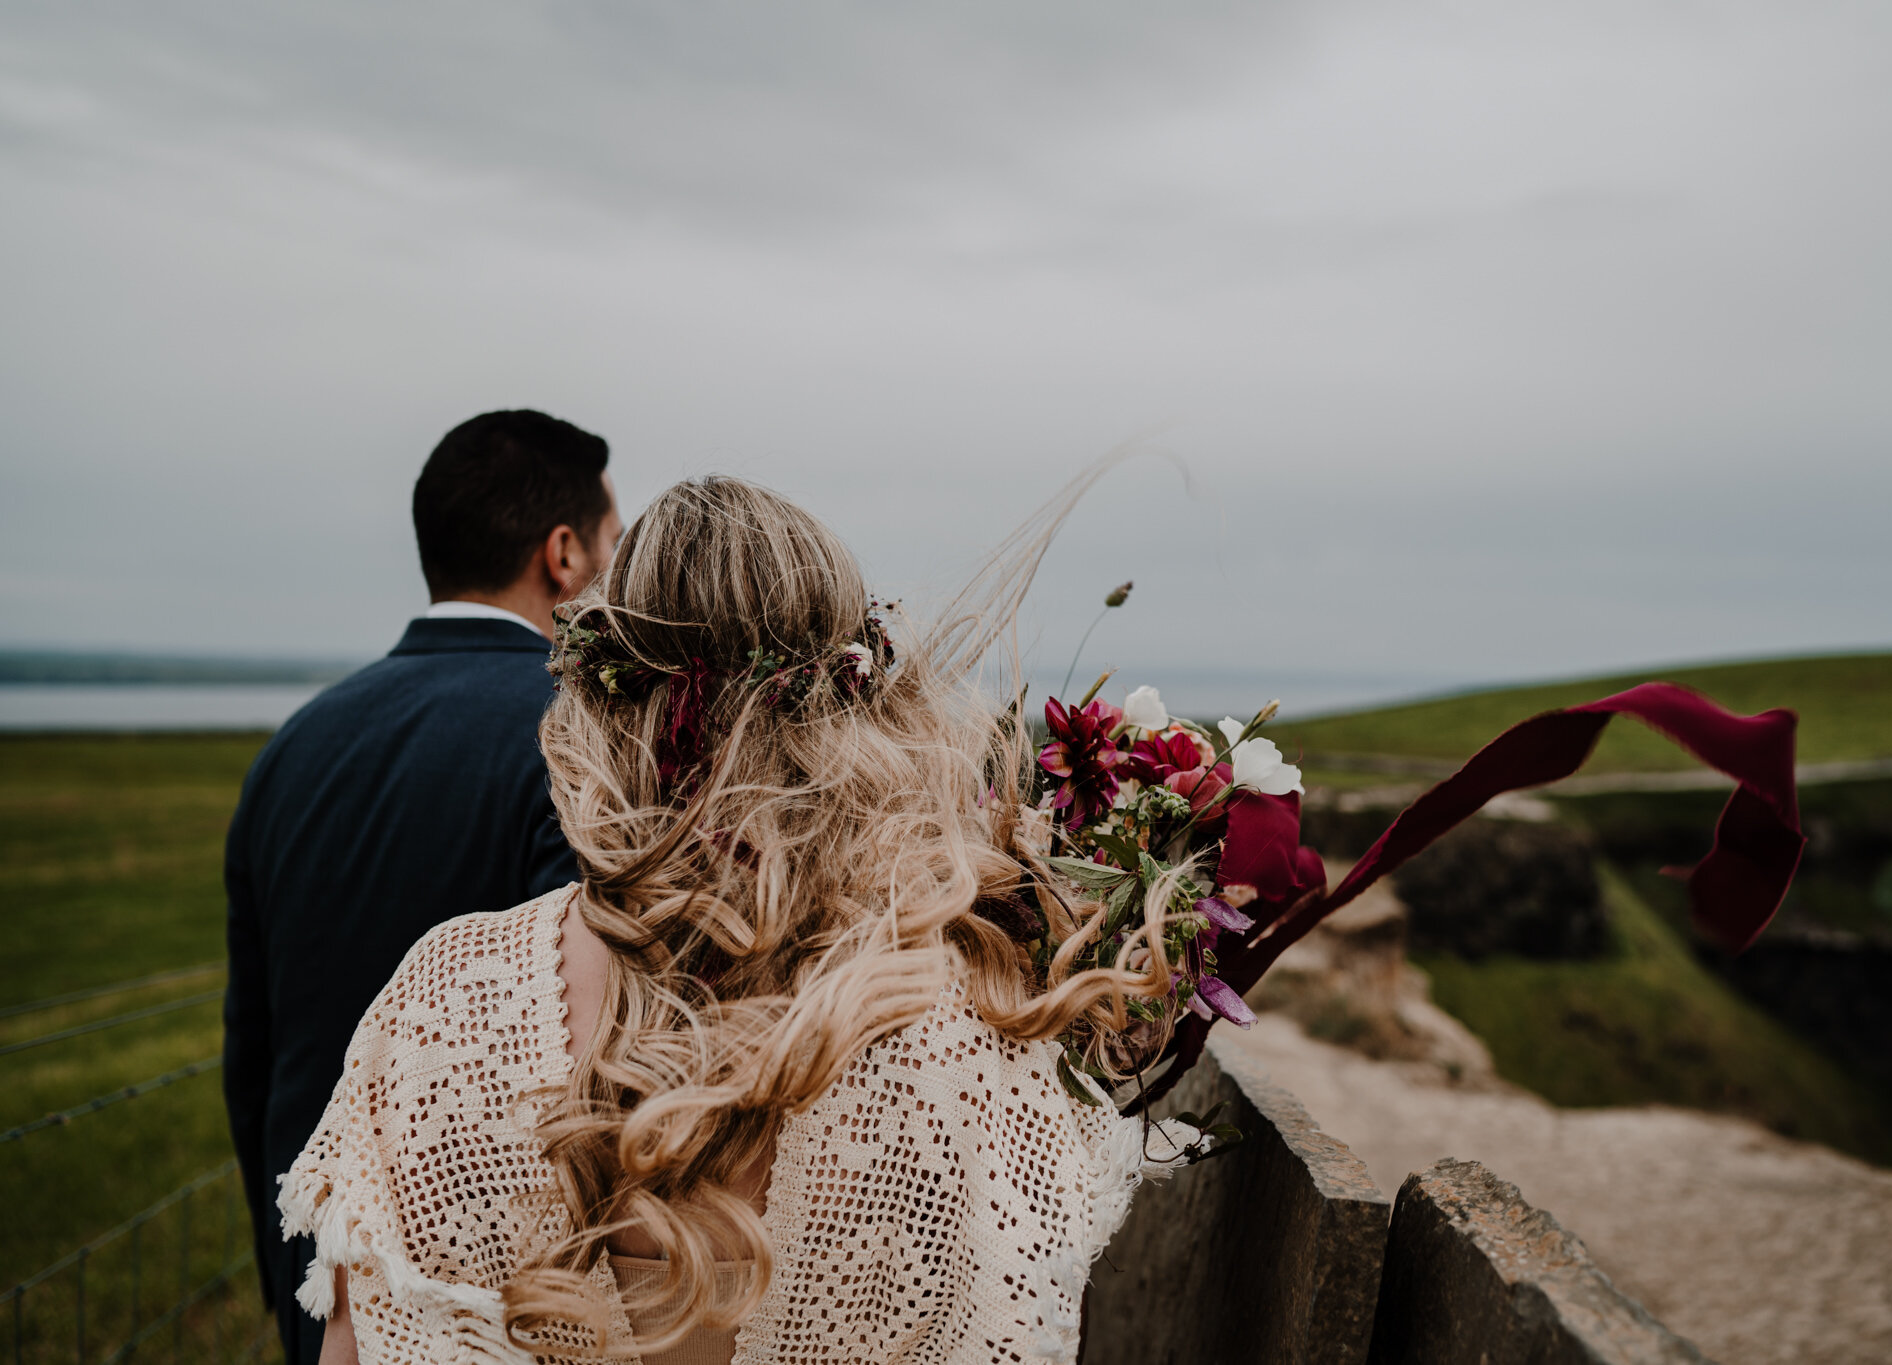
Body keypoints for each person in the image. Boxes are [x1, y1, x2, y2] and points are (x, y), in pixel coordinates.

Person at [276, 477, 1192, 1365]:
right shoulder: (968, 1015)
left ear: (603, 696)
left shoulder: (448, 992)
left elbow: (355, 1347)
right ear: (858, 701)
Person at [224, 410, 624, 1365]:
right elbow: (577, 1048)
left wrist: (298, 1280)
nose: (615, 575)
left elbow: (254, 1051)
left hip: (326, 1274)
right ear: (561, 555)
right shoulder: (575, 742)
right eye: (612, 545)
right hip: (496, 1304)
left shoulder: (293, 748)